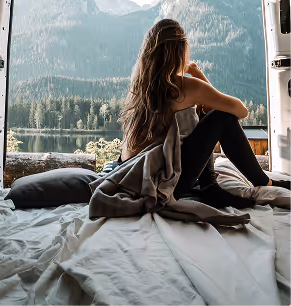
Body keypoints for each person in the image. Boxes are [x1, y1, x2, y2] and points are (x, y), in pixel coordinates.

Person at [119, 19, 291, 209]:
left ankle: (210, 186)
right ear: (180, 51)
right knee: (222, 117)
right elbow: (240, 111)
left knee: (201, 116)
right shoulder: (183, 86)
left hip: (132, 179)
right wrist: (196, 72)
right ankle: (262, 182)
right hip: (163, 186)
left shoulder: (140, 87)